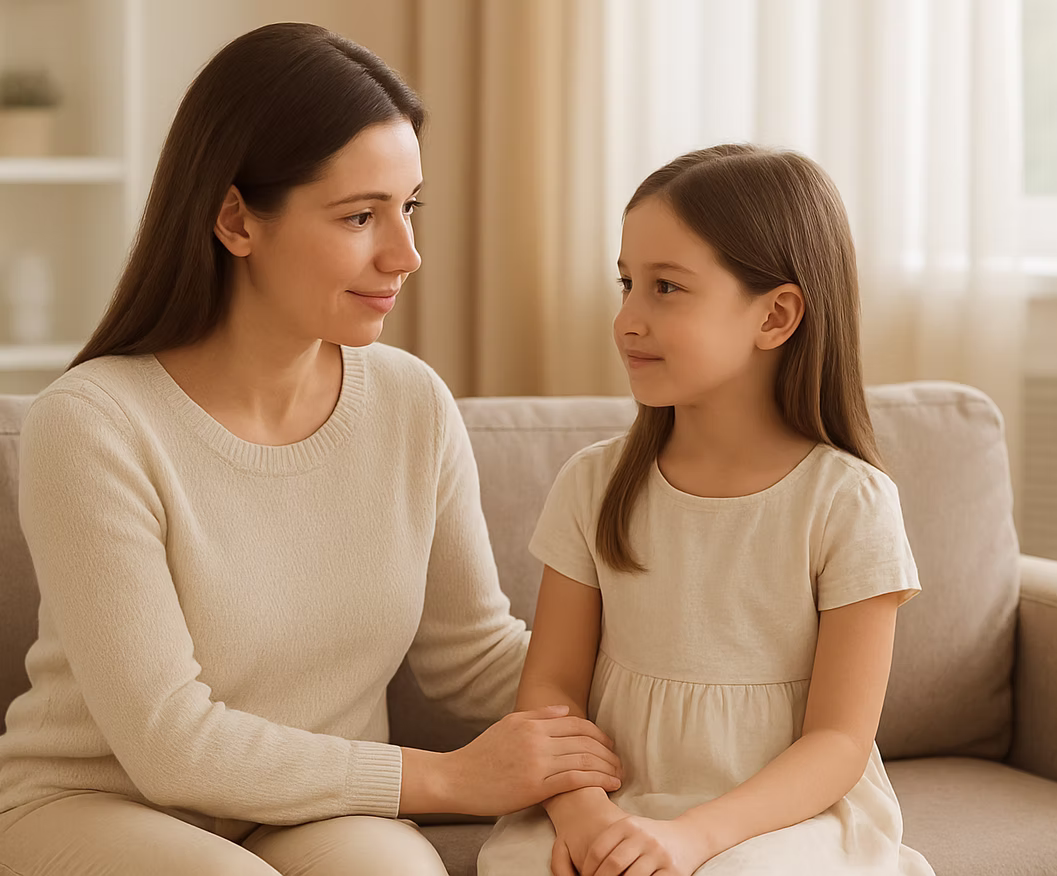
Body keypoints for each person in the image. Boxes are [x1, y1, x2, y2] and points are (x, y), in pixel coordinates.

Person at [0, 22, 622, 876]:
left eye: (409, 207)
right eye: (360, 215)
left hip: (311, 809)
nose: (406, 254)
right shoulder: (92, 424)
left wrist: (697, 684)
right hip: (97, 804)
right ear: (234, 220)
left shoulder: (412, 404)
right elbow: (172, 746)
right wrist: (448, 780)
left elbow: (472, 660)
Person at [477, 144, 936, 875]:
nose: (627, 319)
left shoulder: (848, 504)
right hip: (614, 804)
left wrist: (692, 837)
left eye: (666, 288)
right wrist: (590, 820)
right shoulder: (592, 485)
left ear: (776, 316)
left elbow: (839, 743)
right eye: (626, 283)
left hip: (781, 819)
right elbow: (551, 694)